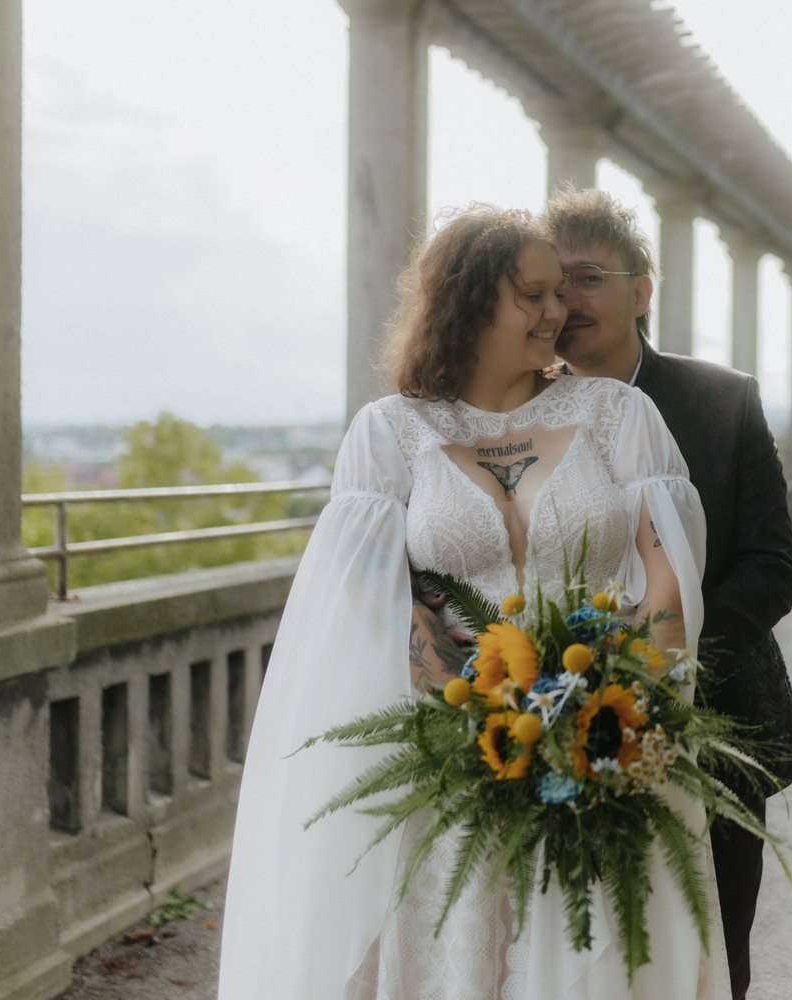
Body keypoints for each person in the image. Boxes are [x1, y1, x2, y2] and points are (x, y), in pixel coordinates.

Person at [217, 205, 731, 998]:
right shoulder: (389, 434)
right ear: (468, 299)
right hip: (451, 763)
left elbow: (666, 573)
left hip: (607, 752)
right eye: (533, 294)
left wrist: (620, 710)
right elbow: (370, 608)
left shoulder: (618, 414)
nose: (556, 312)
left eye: (561, 292)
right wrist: (487, 728)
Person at [543, 186, 792, 1000]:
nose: (565, 302)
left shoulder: (722, 400)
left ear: (642, 290)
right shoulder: (518, 412)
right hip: (554, 730)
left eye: (586, 278)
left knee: (713, 957)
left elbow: (772, 565)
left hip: (716, 725)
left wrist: (660, 660)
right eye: (549, 287)